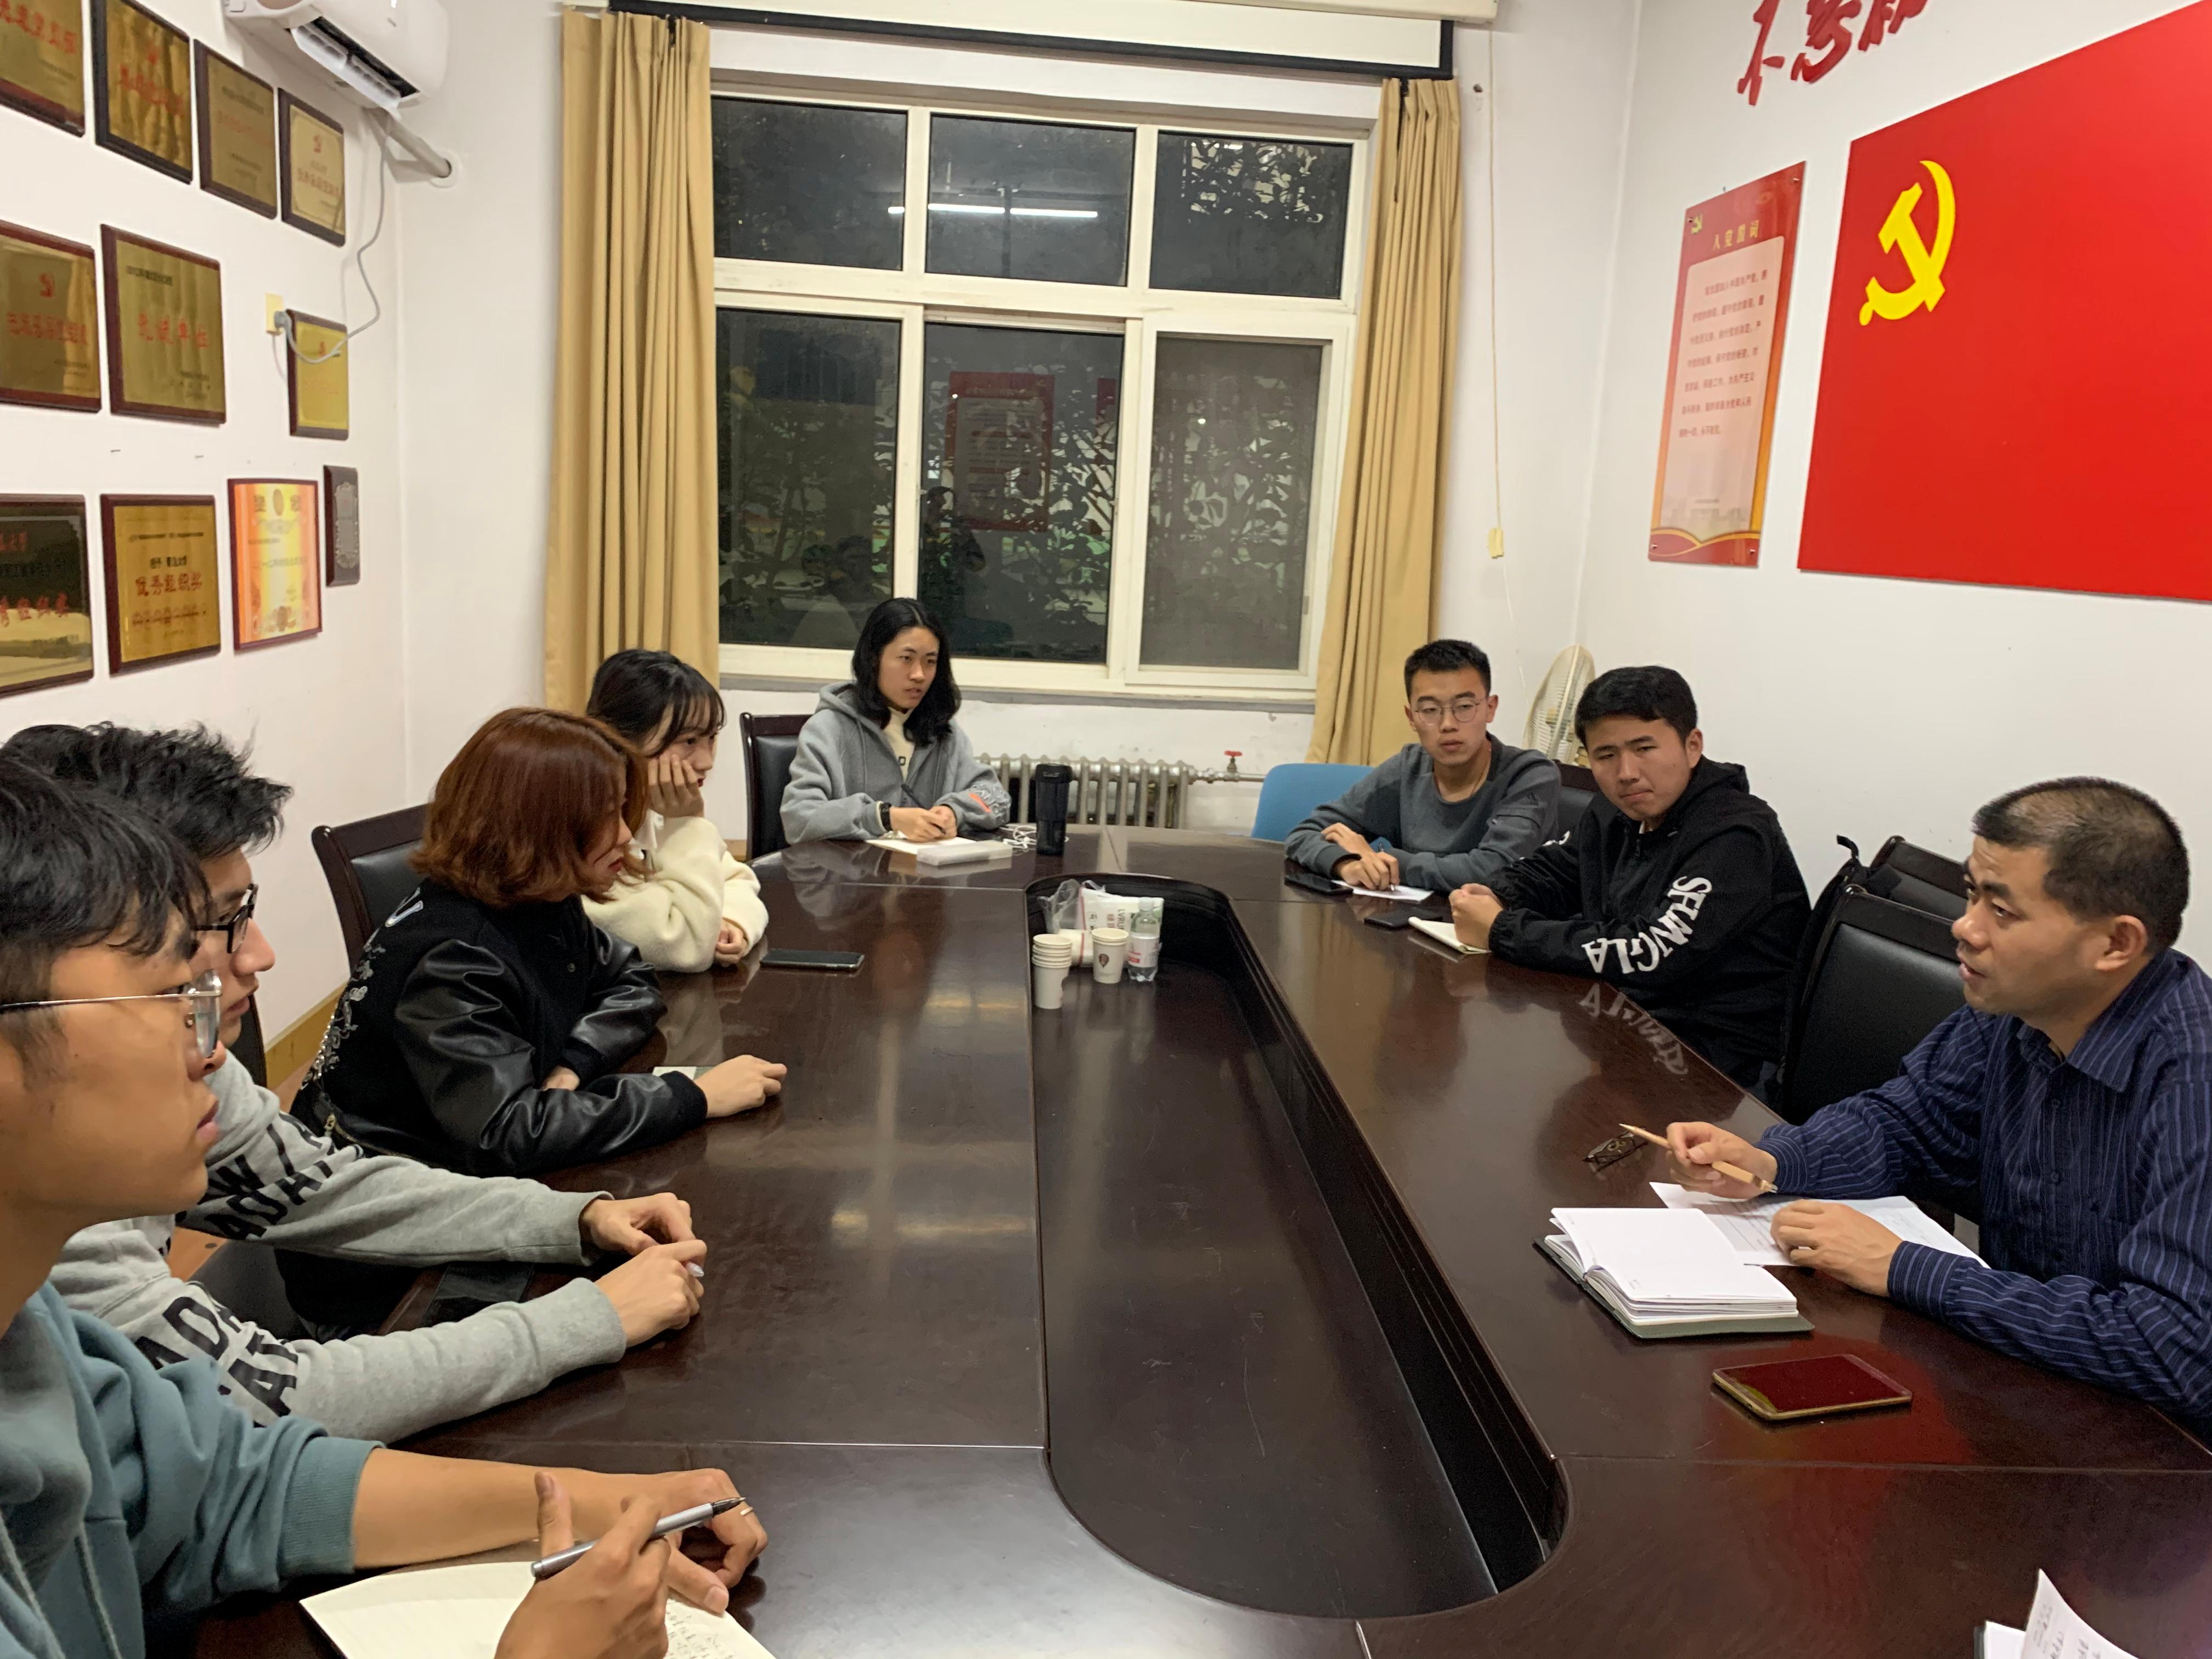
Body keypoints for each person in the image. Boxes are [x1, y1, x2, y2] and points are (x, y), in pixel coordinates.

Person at [0, 760, 765, 1659]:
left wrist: (592, 1501)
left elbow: (232, 1484)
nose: (217, 1045)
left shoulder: (37, 1326)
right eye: (174, 992)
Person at [3, 724, 709, 1444]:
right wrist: (586, 1319)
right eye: (212, 929)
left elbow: (324, 1186)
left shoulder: (190, 1077)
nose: (261, 955)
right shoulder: (48, 1205)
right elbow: (248, 1409)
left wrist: (573, 1219)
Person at [1667, 780, 2212, 1432]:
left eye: (2002, 911)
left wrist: (1904, 1267)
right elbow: (1906, 1124)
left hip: (2159, 1453)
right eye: (1971, 893)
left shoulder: (2193, 1079)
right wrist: (1773, 1161)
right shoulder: (2015, 1010)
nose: (1964, 927)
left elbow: (2172, 1347)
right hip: (2022, 1392)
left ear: (2116, 944)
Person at [295, 708, 786, 1180]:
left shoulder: (538, 897)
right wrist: (691, 1097)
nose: (624, 835)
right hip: (388, 1190)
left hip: (462, 1161)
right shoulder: (452, 958)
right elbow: (508, 1133)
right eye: (607, 815)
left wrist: (575, 1061)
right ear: (537, 826)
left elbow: (630, 977)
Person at [1448, 666, 1809, 1090]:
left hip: (1719, 1066)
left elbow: (1653, 950)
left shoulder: (1736, 835)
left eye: (1644, 749)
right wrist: (1496, 894)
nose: (1626, 772)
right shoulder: (1616, 810)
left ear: (1693, 746)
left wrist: (1502, 930)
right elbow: (1558, 870)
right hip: (1624, 1019)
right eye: (1606, 755)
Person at [1284, 639, 1560, 891]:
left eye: (1465, 707)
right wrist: (1348, 864)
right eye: (1430, 710)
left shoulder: (1529, 775)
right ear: (1411, 717)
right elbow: (1305, 834)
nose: (1448, 724)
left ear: (1490, 708)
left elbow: (1494, 870)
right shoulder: (1408, 768)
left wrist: (1383, 859)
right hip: (1408, 923)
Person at [582, 649, 770, 974]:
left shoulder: (655, 809)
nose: (707, 762)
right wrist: (687, 825)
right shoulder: (587, 828)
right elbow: (687, 946)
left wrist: (732, 921)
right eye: (689, 741)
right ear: (620, 739)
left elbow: (735, 879)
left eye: (711, 739)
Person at [781, 596, 1009, 845]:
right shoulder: (828, 728)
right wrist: (884, 818)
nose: (919, 675)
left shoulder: (943, 731)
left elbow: (995, 798)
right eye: (906, 659)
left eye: (930, 662)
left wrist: (955, 812)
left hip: (925, 868)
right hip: (850, 869)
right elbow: (798, 818)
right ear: (873, 658)